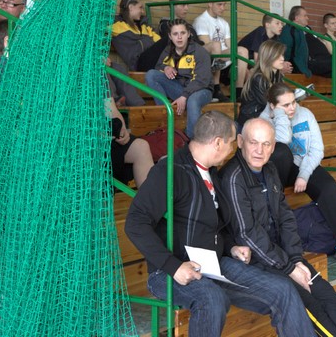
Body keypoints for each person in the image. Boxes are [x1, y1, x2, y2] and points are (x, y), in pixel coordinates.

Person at [125, 111, 315, 337]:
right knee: (213, 299)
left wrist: (231, 247)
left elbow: (211, 226)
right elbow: (135, 223)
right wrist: (173, 266)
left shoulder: (211, 172)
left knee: (283, 289)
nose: (233, 149)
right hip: (170, 270)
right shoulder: (170, 171)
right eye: (231, 143)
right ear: (217, 143)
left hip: (212, 264)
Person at [219, 117, 336, 337]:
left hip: (281, 255)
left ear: (273, 147)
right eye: (253, 142)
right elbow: (248, 235)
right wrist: (289, 268)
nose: (259, 150)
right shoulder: (233, 177)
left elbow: (286, 217)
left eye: (266, 144)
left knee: (325, 293)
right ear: (240, 141)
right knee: (310, 306)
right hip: (255, 259)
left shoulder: (270, 170)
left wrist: (295, 259)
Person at [259, 83, 336, 249]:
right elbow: (283, 139)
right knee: (282, 152)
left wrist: (304, 175)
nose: (292, 108)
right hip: (277, 171)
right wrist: (280, 116)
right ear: (273, 106)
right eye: (285, 105)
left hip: (302, 165)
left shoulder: (305, 114)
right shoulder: (264, 120)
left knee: (328, 187)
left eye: (293, 102)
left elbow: (317, 150)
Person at [145, 19, 212, 139]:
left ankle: (191, 139)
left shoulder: (200, 52)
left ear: (189, 34)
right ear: (170, 36)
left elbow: (202, 80)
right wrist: (165, 68)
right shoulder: (168, 50)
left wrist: (184, 96)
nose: (179, 37)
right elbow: (158, 66)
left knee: (193, 100)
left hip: (202, 91)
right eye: (175, 34)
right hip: (181, 89)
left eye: (183, 33)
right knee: (151, 75)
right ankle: (166, 115)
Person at [193, 0, 245, 102]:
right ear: (210, 4)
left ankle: (238, 91)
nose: (223, 8)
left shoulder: (224, 23)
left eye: (224, 5)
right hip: (208, 56)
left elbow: (230, 46)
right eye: (219, 4)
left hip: (222, 55)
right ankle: (215, 88)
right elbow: (206, 44)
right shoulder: (201, 20)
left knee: (242, 50)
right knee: (216, 45)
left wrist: (233, 55)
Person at [237, 39, 285, 128]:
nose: (282, 59)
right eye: (278, 55)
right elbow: (267, 104)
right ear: (268, 56)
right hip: (250, 123)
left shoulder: (279, 76)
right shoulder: (258, 78)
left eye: (282, 55)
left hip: (264, 121)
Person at [111, 0, 164, 71]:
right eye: (140, 7)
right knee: (170, 38)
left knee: (170, 41)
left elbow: (158, 41)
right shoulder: (117, 25)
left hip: (152, 60)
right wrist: (148, 40)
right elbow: (140, 47)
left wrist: (145, 42)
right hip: (138, 63)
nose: (142, 11)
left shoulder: (144, 25)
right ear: (131, 7)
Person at [108, 97, 153, 187]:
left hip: (107, 139)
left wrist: (123, 129)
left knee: (141, 147)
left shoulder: (102, 87)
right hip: (84, 144)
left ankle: (148, 195)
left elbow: (112, 110)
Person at [237, 14, 292, 80]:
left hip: (255, 63)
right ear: (267, 25)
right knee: (254, 74)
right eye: (277, 23)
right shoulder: (260, 31)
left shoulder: (276, 39)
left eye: (282, 23)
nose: (281, 26)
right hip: (241, 61)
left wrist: (282, 64)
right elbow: (256, 59)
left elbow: (273, 58)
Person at [279, 5, 312, 77]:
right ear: (296, 18)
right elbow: (285, 51)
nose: (307, 18)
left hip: (303, 66)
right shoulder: (289, 30)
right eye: (305, 16)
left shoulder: (299, 30)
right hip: (296, 67)